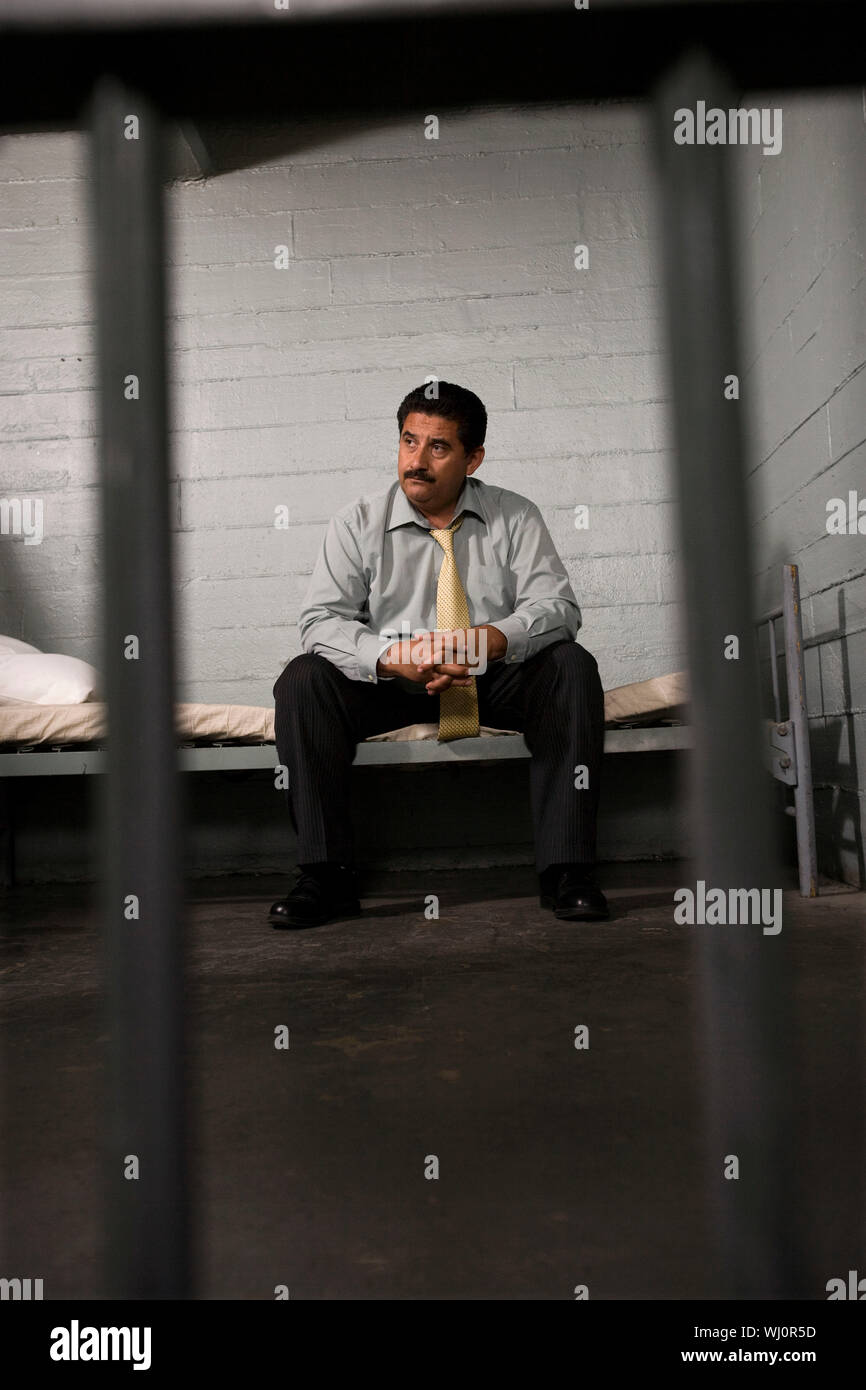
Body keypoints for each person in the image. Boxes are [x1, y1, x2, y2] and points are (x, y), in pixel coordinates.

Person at [270, 381, 609, 928]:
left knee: (572, 665)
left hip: (490, 679)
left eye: (438, 447)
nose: (417, 461)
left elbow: (558, 606)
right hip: (393, 686)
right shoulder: (356, 522)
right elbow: (320, 620)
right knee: (303, 678)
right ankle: (325, 876)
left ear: (473, 457)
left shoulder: (515, 516)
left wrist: (493, 639)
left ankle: (567, 871)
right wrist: (388, 657)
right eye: (409, 442)